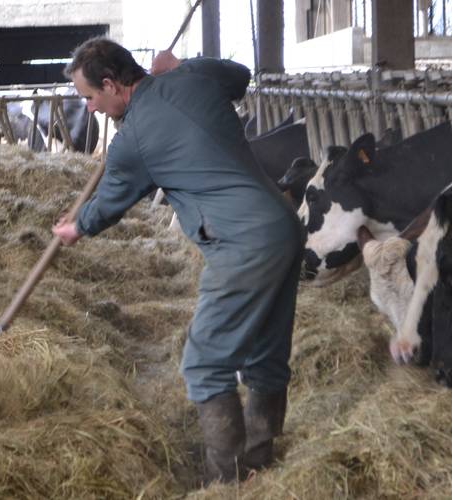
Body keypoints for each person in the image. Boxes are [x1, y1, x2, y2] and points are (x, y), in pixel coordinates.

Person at [53, 36, 304, 483]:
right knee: (264, 350)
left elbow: (109, 204)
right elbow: (240, 76)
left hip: (241, 243)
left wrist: (75, 227)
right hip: (283, 225)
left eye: (89, 98)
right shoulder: (196, 78)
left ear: (111, 85)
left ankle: (225, 481)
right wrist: (180, 64)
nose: (88, 108)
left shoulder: (131, 142)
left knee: (205, 363)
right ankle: (260, 457)